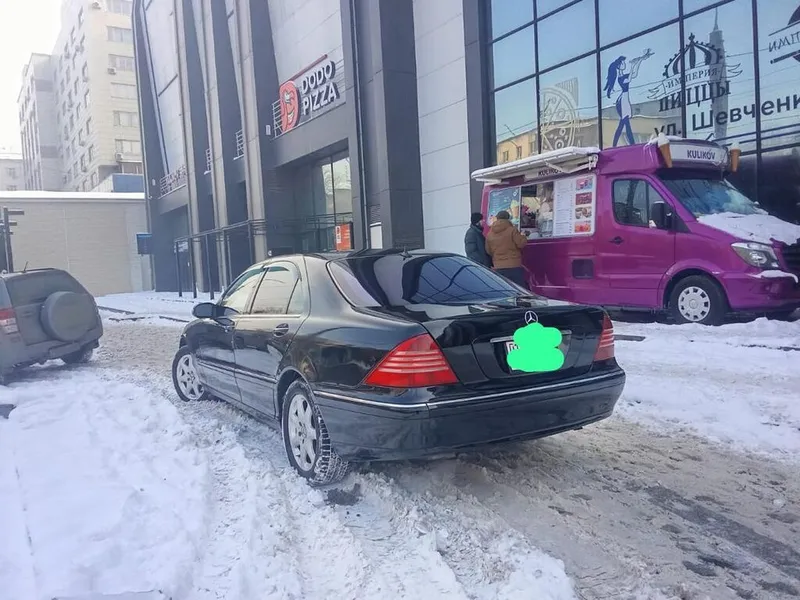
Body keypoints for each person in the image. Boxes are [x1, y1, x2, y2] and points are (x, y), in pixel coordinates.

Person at [485, 210, 528, 287]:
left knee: (504, 289)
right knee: (519, 290)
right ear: (508, 218)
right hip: (514, 266)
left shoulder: (490, 234)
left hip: (498, 267)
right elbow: (521, 244)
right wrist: (524, 236)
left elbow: (488, 251)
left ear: (497, 218)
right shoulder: (512, 230)